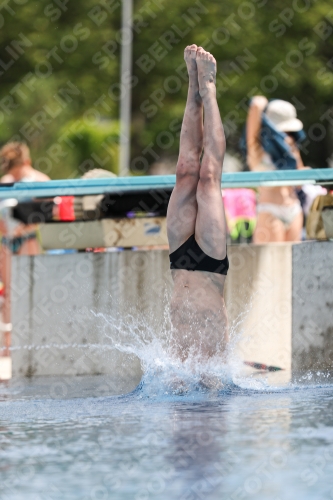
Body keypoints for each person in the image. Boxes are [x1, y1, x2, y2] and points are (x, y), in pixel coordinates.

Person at [167, 45, 229, 362]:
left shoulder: (214, 374)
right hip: (209, 261)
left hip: (183, 262)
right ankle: (202, 87)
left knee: (190, 174)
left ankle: (202, 86)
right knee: (205, 177)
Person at [0, 142, 50, 356]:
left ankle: (30, 339)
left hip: (27, 238)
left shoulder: (40, 180)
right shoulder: (6, 181)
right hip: (7, 241)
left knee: (30, 290)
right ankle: (9, 343)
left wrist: (26, 227)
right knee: (9, 293)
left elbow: (48, 213)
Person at [246, 97, 307, 243]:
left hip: (294, 208)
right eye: (284, 131)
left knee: (293, 264)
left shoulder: (291, 150)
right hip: (270, 210)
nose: (287, 135)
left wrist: (293, 154)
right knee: (271, 264)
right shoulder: (257, 151)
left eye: (290, 131)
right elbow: (255, 110)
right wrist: (259, 105)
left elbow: (300, 181)